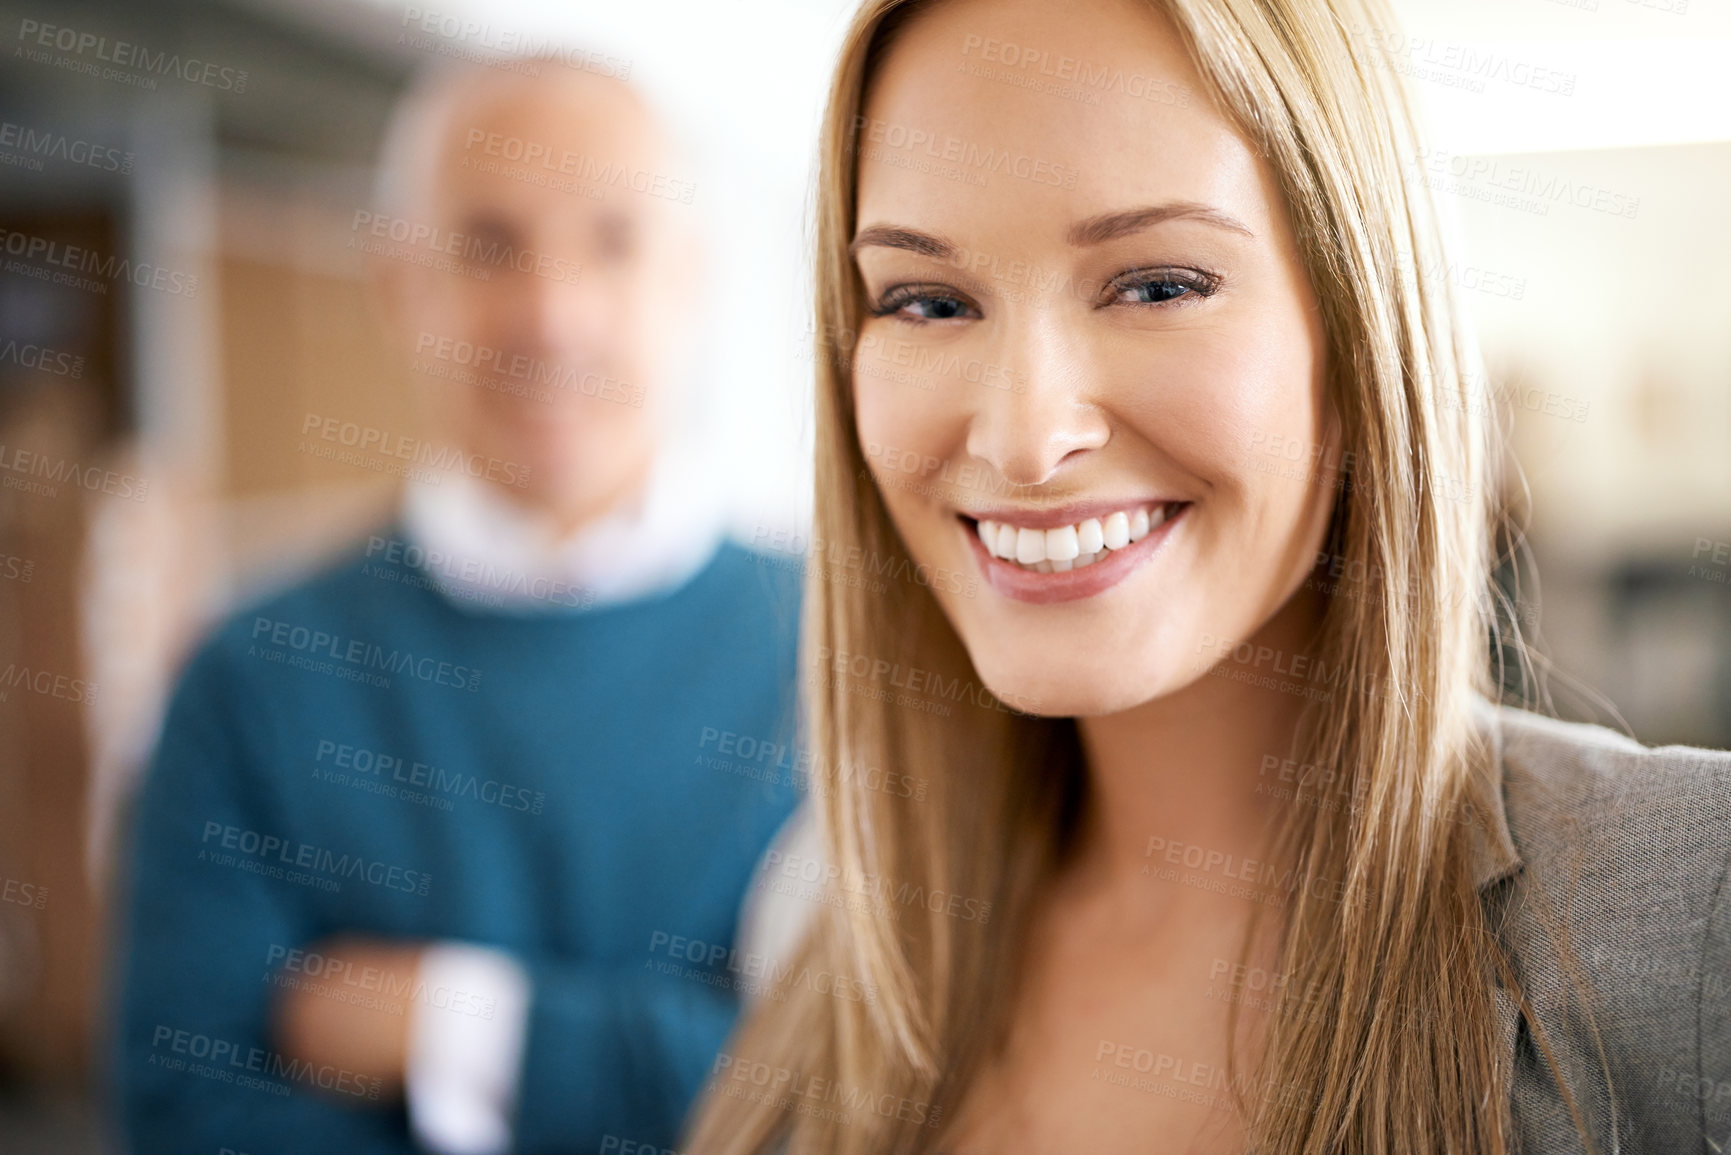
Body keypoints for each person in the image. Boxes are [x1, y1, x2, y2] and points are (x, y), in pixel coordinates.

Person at [683, 0, 1731, 1152]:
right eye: (928, 302)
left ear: (1359, 322)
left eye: (1159, 284)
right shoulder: (826, 910)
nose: (1026, 441)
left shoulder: (1689, 912)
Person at [111, 55, 802, 1155]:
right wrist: (679, 1054)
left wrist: (453, 1025)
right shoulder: (249, 682)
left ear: (691, 280)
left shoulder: (847, 660)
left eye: (611, 241)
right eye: (489, 246)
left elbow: (872, 1092)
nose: (552, 313)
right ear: (399, 287)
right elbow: (190, 1118)